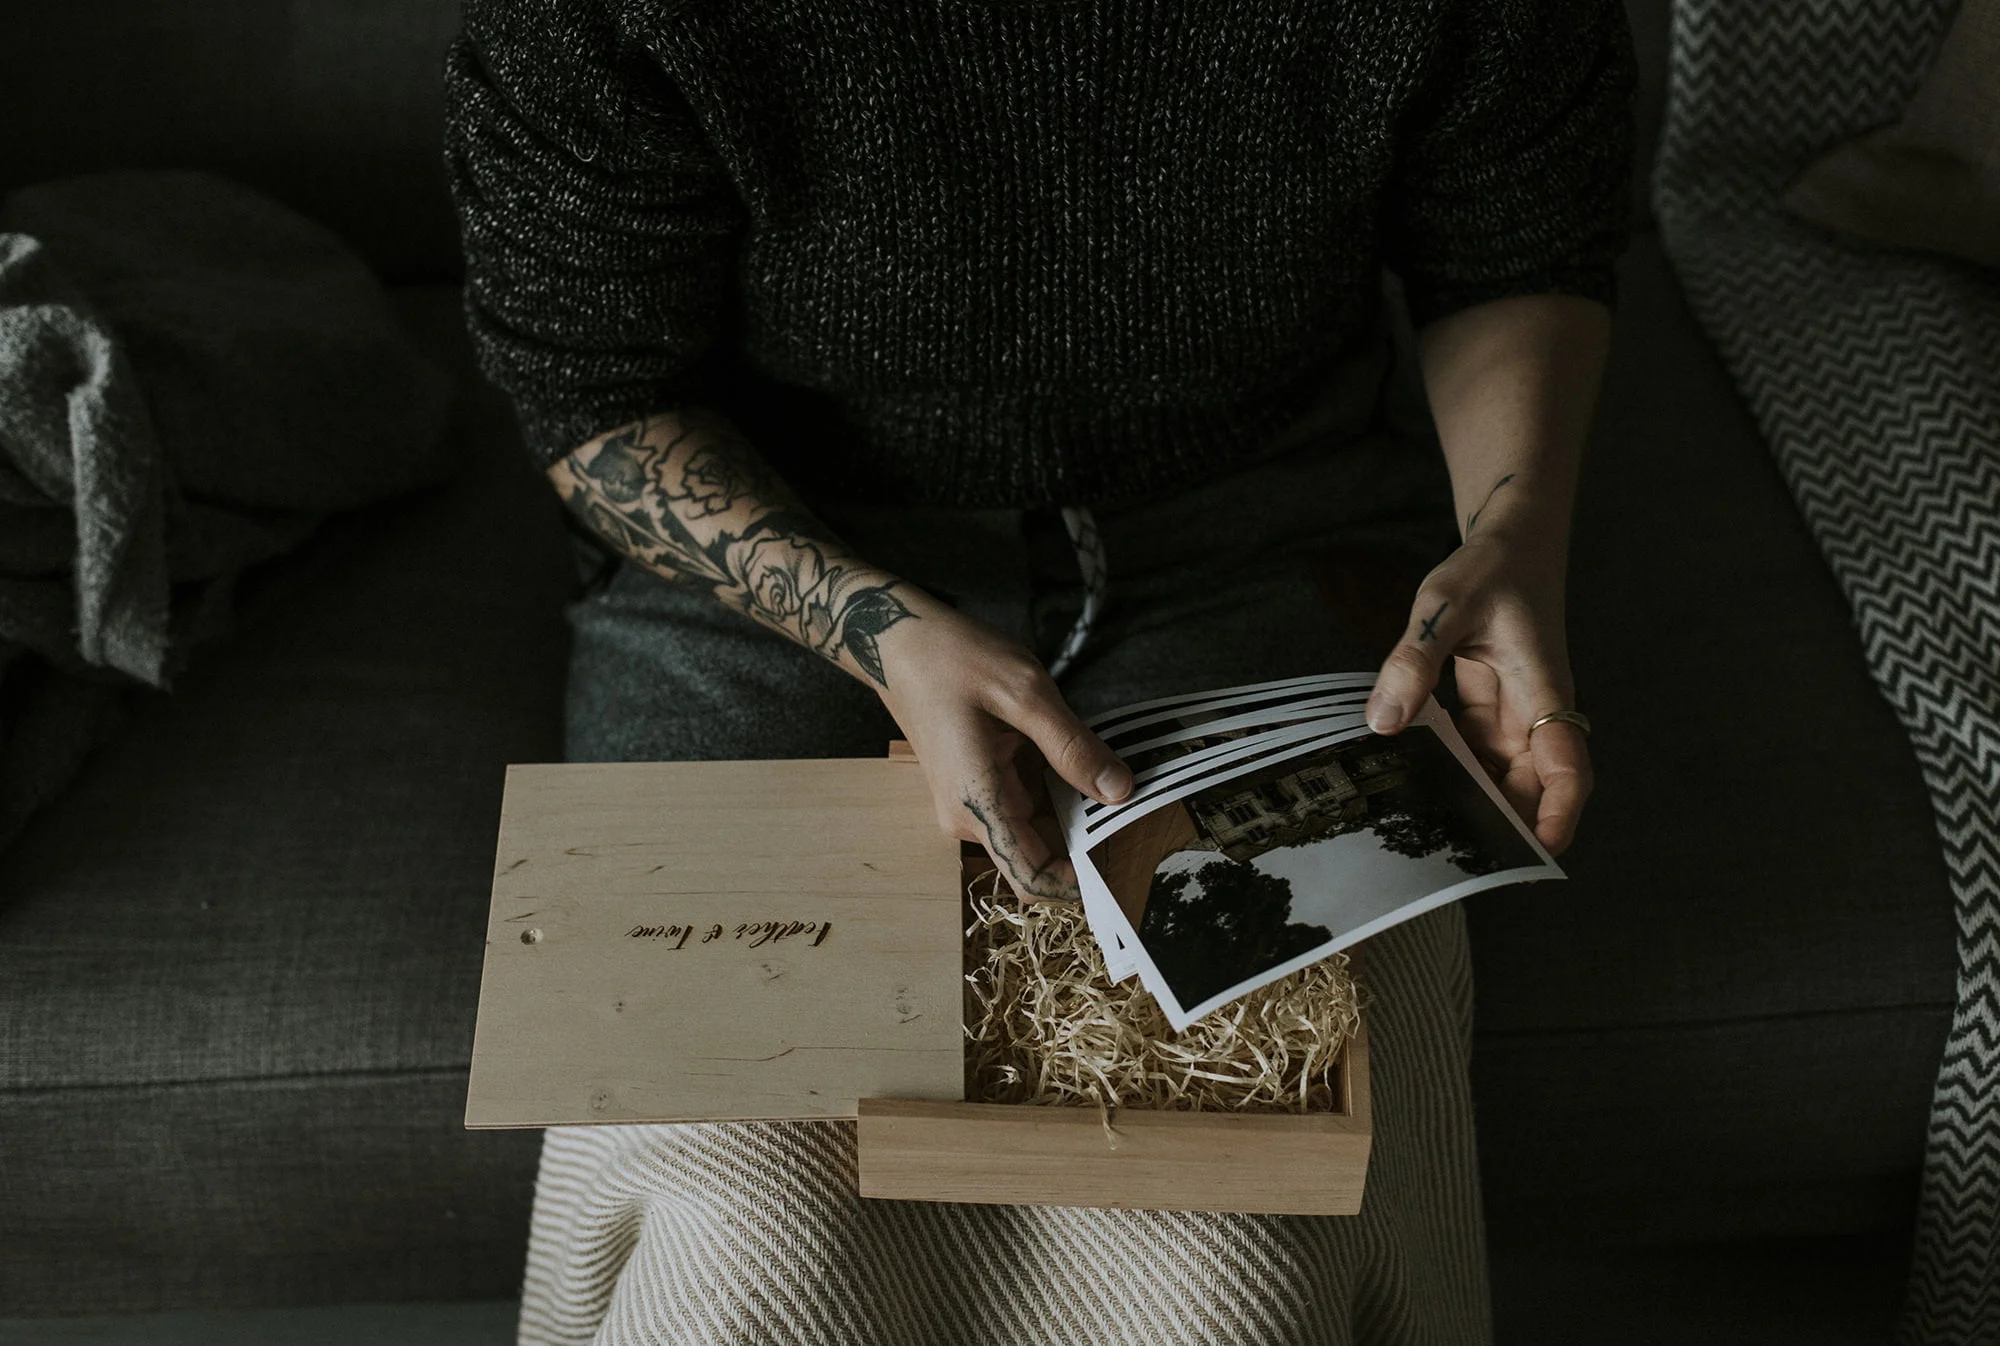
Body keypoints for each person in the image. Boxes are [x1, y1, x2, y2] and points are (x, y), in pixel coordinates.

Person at [446, 1, 1631, 1340]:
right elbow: (590, 382)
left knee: (1236, 1249)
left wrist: (1514, 529)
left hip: (1255, 516)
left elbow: (1514, 245)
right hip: (771, 545)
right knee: (734, 1233)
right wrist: (875, 626)